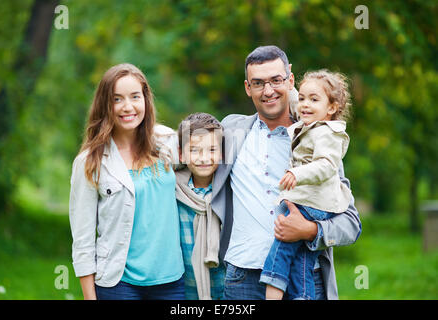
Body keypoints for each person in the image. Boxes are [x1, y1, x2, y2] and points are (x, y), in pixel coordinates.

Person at [211, 45, 362, 300]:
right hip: (242, 278)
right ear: (248, 88)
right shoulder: (232, 130)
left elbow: (351, 224)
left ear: (290, 80)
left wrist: (310, 230)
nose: (268, 91)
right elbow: (187, 148)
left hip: (303, 277)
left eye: (276, 80)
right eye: (258, 83)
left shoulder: (317, 143)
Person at [69, 63, 185, 300]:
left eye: (135, 97)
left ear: (145, 99)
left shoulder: (167, 141)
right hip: (118, 285)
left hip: (171, 282)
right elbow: (82, 240)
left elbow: (212, 153)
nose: (128, 107)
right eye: (117, 99)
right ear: (105, 105)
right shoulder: (89, 162)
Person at [260, 69, 353, 300]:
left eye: (314, 99)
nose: (304, 104)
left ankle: (272, 289)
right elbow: (293, 98)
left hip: (314, 203)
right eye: (302, 98)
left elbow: (326, 165)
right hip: (310, 201)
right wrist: (286, 82)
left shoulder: (328, 133)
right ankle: (303, 296)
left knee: (281, 249)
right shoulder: (310, 122)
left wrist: (297, 172)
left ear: (331, 108)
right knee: (302, 259)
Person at [175, 112, 226, 300]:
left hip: (226, 290)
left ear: (221, 153)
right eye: (195, 150)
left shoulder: (229, 191)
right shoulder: (172, 190)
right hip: (183, 292)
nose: (204, 158)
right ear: (181, 154)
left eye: (212, 150)